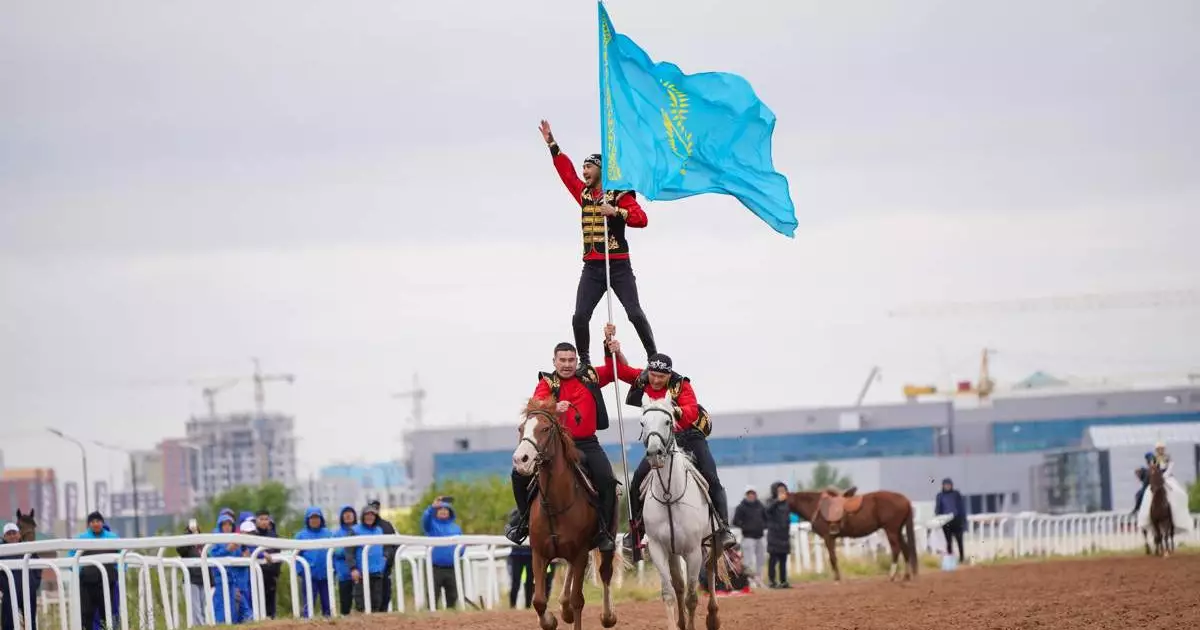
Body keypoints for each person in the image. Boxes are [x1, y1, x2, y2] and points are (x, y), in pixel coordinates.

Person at [604, 329, 735, 551]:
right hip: (660, 441)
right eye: (653, 375)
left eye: (661, 377)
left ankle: (723, 528)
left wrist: (677, 410)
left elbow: (692, 410)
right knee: (637, 481)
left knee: (711, 475)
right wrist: (612, 349)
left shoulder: (681, 385)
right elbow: (620, 371)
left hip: (689, 436)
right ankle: (637, 531)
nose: (655, 380)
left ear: (669, 376)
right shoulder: (644, 379)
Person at [539, 119, 656, 366]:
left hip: (618, 266)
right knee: (579, 316)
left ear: (601, 170)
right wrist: (552, 145)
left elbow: (641, 219)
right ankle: (585, 362)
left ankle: (652, 356)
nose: (584, 172)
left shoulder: (619, 194)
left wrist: (615, 212)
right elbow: (567, 173)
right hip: (593, 268)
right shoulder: (583, 194)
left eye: (589, 167)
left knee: (634, 313)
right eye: (583, 168)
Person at [505, 337, 622, 552]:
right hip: (556, 445)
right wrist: (554, 407)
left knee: (607, 480)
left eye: (571, 360)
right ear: (554, 361)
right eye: (562, 360)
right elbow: (536, 404)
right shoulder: (547, 383)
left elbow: (615, 369)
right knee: (518, 475)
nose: (567, 364)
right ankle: (523, 522)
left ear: (576, 360)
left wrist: (611, 349)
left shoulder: (589, 376)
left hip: (587, 443)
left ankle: (604, 531)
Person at [68, 512, 120, 629]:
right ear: (89, 524)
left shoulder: (112, 538)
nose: (95, 524)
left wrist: (118, 571)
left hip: (108, 583)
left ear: (102, 522)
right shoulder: (81, 539)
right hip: (87, 584)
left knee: (109, 612)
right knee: (86, 614)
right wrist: (81, 571)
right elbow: (71, 558)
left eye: (98, 521)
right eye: (92, 522)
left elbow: (122, 556)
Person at [504, 508, 556, 609]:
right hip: (516, 555)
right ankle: (512, 606)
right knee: (516, 582)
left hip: (529, 555)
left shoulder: (536, 514)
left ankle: (527, 606)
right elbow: (509, 531)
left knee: (529, 582)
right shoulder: (516, 514)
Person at [207, 515, 252, 625]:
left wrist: (244, 556)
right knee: (221, 608)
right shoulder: (216, 539)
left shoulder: (235, 539)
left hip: (234, 580)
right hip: (220, 579)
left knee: (233, 610)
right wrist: (227, 549)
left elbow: (238, 560)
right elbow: (212, 556)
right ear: (220, 526)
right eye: (224, 524)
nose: (227, 527)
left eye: (229, 524)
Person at [422, 497, 465, 609]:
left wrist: (459, 553)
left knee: (452, 596)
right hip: (435, 567)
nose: (443, 511)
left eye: (446, 510)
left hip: (452, 567)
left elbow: (462, 544)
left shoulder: (456, 528)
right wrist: (432, 507)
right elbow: (425, 519)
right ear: (436, 512)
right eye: (440, 509)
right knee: (433, 596)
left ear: (450, 512)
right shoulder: (431, 525)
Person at [294, 507, 333, 618]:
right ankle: (307, 623)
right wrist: (300, 571)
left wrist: (333, 569)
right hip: (309, 576)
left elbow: (334, 552)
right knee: (309, 603)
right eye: (312, 518)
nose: (314, 520)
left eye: (317, 518)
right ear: (307, 519)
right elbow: (295, 557)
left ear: (321, 519)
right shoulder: (300, 536)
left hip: (326, 575)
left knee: (327, 603)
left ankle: (329, 623)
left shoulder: (328, 533)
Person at [353, 504, 387, 613]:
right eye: (367, 515)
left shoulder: (379, 530)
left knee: (377, 602)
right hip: (361, 573)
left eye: (372, 515)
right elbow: (349, 551)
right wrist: (353, 568)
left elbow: (386, 547)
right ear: (363, 516)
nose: (370, 517)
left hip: (377, 572)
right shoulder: (355, 530)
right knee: (361, 604)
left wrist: (385, 558)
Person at [175, 519, 208, 627]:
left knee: (203, 608)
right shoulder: (187, 546)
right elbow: (180, 549)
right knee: (196, 610)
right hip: (191, 579)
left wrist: (211, 581)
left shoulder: (203, 546)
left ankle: (202, 627)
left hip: (203, 579)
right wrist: (189, 534)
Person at [367, 500, 398, 612]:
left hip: (385, 568)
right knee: (371, 598)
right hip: (370, 570)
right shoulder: (362, 527)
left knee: (385, 595)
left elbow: (395, 545)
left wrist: (388, 559)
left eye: (376, 508)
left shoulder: (387, 525)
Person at [732, 487, 767, 584]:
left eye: (753, 493)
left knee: (761, 560)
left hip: (760, 537)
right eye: (749, 493)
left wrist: (763, 526)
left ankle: (759, 579)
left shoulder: (761, 506)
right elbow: (735, 521)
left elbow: (766, 518)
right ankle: (749, 581)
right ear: (746, 495)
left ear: (756, 494)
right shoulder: (741, 507)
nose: (751, 495)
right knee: (748, 561)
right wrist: (745, 526)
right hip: (748, 538)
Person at [331, 506, 360, 616]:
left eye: (350, 513)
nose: (348, 515)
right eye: (345, 513)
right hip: (344, 573)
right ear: (342, 517)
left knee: (361, 602)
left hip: (359, 572)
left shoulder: (359, 530)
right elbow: (336, 552)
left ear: (354, 516)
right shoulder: (336, 534)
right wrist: (350, 551)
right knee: (345, 603)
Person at [252, 510, 281, 618]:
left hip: (271, 575)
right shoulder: (252, 535)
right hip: (256, 575)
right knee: (258, 602)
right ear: (256, 521)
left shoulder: (273, 536)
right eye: (261, 519)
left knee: (271, 603)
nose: (264, 522)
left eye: (266, 519)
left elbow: (278, 555)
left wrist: (277, 573)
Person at [764, 482, 792, 589]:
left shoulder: (787, 503)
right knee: (773, 559)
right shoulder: (770, 501)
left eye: (783, 490)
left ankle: (783, 581)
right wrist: (777, 501)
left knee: (783, 559)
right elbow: (767, 510)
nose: (782, 492)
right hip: (774, 534)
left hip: (784, 534)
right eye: (780, 490)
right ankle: (772, 581)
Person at [935, 478, 967, 563]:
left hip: (956, 520)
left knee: (959, 540)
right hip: (946, 521)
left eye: (949, 485)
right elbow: (938, 509)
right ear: (943, 486)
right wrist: (938, 519)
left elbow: (961, 507)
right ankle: (950, 559)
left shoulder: (956, 494)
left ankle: (962, 558)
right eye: (946, 485)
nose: (947, 486)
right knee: (948, 541)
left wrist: (963, 520)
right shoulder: (940, 495)